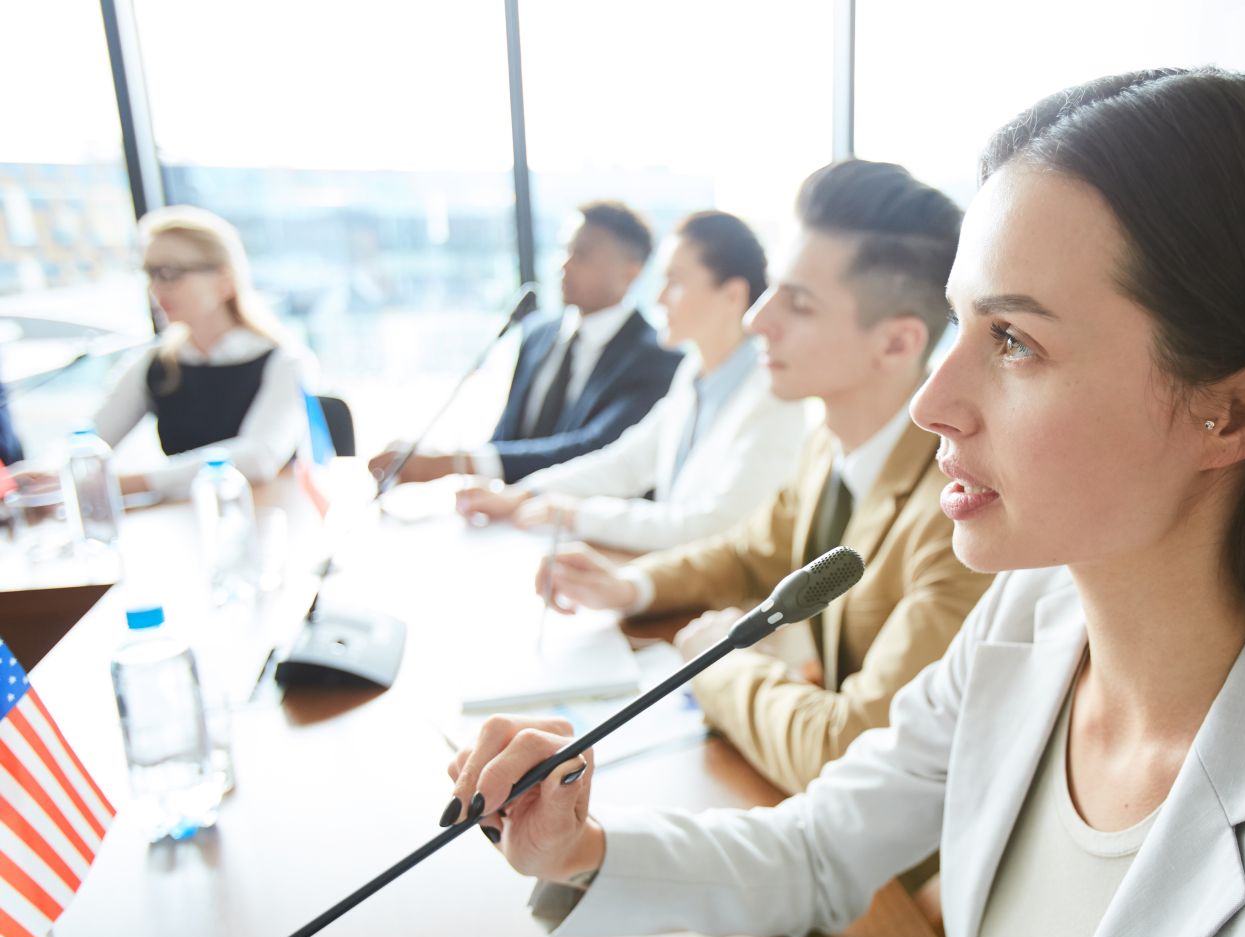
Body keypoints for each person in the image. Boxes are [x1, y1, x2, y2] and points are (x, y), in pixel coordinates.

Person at [443, 70, 1245, 937]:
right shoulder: (1030, 622)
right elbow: (814, 848)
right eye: (956, 325)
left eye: (1013, 340)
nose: (937, 402)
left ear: (1241, 406)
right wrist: (580, 846)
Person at [529, 161, 995, 795]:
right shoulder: (827, 443)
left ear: (895, 344)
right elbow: (752, 551)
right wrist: (631, 586)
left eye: (797, 304)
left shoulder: (956, 516)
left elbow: (846, 748)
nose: (757, 320)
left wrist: (716, 663)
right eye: (773, 288)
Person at [454, 210, 808, 552]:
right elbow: (627, 462)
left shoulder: (774, 396)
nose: (657, 298)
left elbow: (712, 526)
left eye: (675, 283)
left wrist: (576, 514)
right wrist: (528, 494)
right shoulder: (694, 373)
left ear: (732, 295)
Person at [369, 201, 680, 486]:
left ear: (631, 271)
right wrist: (443, 462)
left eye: (582, 255)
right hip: (505, 516)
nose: (564, 265)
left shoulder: (657, 358)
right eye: (564, 250)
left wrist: (455, 463)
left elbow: (597, 452)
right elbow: (506, 438)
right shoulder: (537, 333)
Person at [92, 205, 317, 499]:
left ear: (224, 279)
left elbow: (259, 458)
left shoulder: (285, 361)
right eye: (150, 273)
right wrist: (49, 474)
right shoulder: (154, 364)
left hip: (271, 518)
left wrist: (129, 483)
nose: (157, 288)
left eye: (170, 272)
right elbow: (91, 441)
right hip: (183, 521)